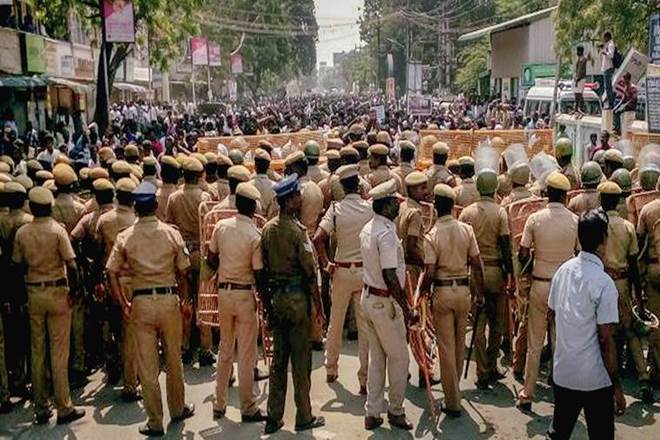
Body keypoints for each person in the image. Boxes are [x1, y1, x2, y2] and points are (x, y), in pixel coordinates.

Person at [106, 181, 195, 436]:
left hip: (141, 302)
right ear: (156, 206)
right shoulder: (170, 233)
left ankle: (155, 421)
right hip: (169, 299)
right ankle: (177, 409)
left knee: (147, 366)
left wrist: (123, 303)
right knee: (174, 359)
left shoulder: (125, 237)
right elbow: (184, 272)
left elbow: (111, 272)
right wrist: (186, 302)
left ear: (135, 207)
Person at [12, 187, 86, 425]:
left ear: (32, 207)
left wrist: (20, 296)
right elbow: (72, 266)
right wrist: (74, 292)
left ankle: (41, 406)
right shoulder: (57, 231)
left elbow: (16, 266)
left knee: (37, 350)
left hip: (33, 292)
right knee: (59, 351)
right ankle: (64, 405)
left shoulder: (22, 233)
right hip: (57, 291)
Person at [261, 174, 325, 435]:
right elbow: (310, 274)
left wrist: (266, 305)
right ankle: (304, 415)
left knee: (278, 361)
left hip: (277, 298)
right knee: (301, 361)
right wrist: (319, 307)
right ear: (289, 201)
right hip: (298, 299)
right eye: (297, 195)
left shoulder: (267, 229)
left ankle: (273, 416)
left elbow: (262, 271)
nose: (301, 198)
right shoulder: (298, 233)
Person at [546, 209, 619, 440]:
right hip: (594, 377)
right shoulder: (604, 283)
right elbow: (606, 339)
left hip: (564, 371)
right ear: (604, 240)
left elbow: (552, 314)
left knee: (559, 432)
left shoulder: (563, 272)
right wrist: (616, 385)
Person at [517, 171, 579, 411]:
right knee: (560, 343)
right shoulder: (574, 221)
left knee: (535, 343)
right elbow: (579, 253)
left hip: (540, 285)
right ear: (564, 196)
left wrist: (533, 258)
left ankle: (527, 394)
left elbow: (523, 253)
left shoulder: (535, 219)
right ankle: (562, 394)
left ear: (546, 194)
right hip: (564, 289)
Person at [207, 182, 267, 423]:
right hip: (244, 294)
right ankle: (248, 406)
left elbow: (211, 259)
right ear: (252, 207)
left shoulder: (220, 227)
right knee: (246, 353)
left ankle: (219, 403)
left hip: (224, 293)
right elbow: (258, 271)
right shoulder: (254, 235)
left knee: (224, 349)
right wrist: (264, 299)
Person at [423, 183, 484, 417]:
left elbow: (429, 271)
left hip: (443, 291)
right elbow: (477, 265)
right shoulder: (466, 230)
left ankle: (452, 402)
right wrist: (479, 294)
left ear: (437, 207)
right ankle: (455, 389)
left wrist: (424, 295)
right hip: (464, 292)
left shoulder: (432, 235)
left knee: (446, 347)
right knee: (458, 344)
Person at [360, 179, 415, 431]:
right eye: (395, 203)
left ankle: (372, 412)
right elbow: (391, 275)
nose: (398, 206)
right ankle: (395, 410)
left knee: (377, 358)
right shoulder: (386, 234)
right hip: (385, 301)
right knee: (399, 358)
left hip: (370, 298)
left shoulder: (369, 228)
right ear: (386, 205)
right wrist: (407, 308)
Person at [313, 164, 372, 393]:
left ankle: (331, 368)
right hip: (364, 271)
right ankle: (364, 378)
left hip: (341, 270)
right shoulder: (368, 208)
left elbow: (318, 238)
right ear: (358, 185)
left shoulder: (336, 209)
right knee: (364, 326)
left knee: (336, 322)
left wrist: (326, 263)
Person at [458, 167, 512, 390]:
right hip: (496, 271)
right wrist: (510, 273)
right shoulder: (500, 212)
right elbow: (506, 245)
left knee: (478, 323)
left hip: (474, 273)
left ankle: (481, 370)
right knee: (497, 323)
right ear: (495, 188)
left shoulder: (466, 213)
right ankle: (491, 366)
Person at [599, 182, 652, 403]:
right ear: (619, 200)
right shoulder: (628, 227)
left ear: (602, 200)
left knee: (603, 333)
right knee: (630, 332)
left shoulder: (597, 225)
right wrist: (638, 298)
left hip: (601, 284)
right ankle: (643, 378)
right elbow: (633, 264)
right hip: (621, 284)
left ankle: (604, 379)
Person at [166, 157, 213, 365]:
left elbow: (170, 225)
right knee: (204, 300)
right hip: (201, 252)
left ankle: (185, 346)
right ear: (199, 175)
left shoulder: (174, 198)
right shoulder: (205, 196)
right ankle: (205, 348)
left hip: (182, 253)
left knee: (184, 301)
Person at [96, 177, 139, 401]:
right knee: (131, 333)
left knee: (113, 329)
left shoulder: (104, 220)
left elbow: (94, 250)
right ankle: (131, 382)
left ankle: (114, 368)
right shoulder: (136, 221)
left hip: (110, 280)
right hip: (132, 281)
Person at [600, 31, 616, 110]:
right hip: (606, 67)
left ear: (607, 37)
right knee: (607, 86)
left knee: (608, 87)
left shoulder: (611, 44)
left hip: (609, 67)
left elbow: (611, 55)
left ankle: (611, 104)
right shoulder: (607, 44)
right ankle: (609, 103)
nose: (604, 39)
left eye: (604, 37)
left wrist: (604, 52)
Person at [574, 45, 588, 115]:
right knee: (576, 93)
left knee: (579, 93)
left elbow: (582, 70)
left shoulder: (584, 59)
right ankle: (576, 108)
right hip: (577, 78)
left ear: (580, 51)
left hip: (581, 78)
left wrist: (578, 78)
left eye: (577, 51)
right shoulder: (578, 59)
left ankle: (580, 107)